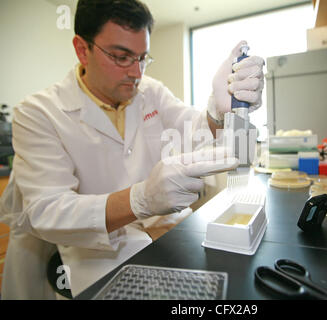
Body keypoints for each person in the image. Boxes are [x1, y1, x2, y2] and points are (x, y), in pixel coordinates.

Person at [0, 0, 265, 299]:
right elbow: (47, 211)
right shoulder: (38, 113)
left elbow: (194, 131)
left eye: (142, 57)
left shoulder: (149, 91)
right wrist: (139, 200)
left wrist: (219, 113)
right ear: (81, 49)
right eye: (121, 57)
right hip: (92, 252)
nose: (136, 72)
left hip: (163, 239)